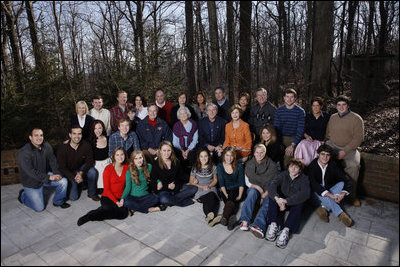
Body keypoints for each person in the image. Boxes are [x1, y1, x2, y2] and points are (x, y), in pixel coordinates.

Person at [17, 128, 70, 211]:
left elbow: (52, 160)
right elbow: (31, 172)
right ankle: (23, 196)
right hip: (32, 182)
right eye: (36, 135)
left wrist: (56, 173)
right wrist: (49, 177)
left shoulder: (46, 146)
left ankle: (58, 201)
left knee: (63, 181)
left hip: (44, 176)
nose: (39, 137)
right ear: (30, 137)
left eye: (41, 135)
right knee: (39, 208)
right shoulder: (24, 152)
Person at [325, 95, 364, 207]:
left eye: (344, 105)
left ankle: (351, 196)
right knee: (322, 161)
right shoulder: (333, 117)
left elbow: (358, 138)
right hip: (333, 146)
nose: (341, 107)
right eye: (338, 105)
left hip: (349, 148)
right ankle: (326, 193)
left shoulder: (356, 118)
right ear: (336, 106)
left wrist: (345, 151)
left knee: (353, 166)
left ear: (348, 106)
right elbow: (328, 134)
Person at [77, 147, 129, 226]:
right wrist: (116, 202)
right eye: (117, 155)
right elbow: (107, 190)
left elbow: (127, 186)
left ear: (125, 155)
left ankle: (100, 210)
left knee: (123, 214)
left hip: (121, 196)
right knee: (109, 209)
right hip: (108, 196)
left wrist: (122, 199)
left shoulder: (127, 168)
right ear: (113, 157)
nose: (120, 157)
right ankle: (90, 216)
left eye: (122, 154)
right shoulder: (108, 169)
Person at [264, 158, 310, 249]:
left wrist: (286, 201)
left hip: (292, 202)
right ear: (288, 167)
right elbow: (272, 185)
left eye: (296, 168)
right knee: (272, 197)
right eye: (291, 167)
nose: (292, 169)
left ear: (300, 170)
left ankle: (286, 231)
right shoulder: (284, 174)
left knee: (300, 203)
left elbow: (305, 193)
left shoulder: (304, 178)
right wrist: (277, 199)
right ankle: (273, 225)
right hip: (281, 200)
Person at [307, 144, 353, 227]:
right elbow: (314, 185)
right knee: (320, 187)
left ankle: (324, 207)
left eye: (328, 155)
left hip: (329, 191)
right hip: (315, 194)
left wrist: (342, 194)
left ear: (330, 156)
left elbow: (346, 180)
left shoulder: (333, 165)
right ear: (318, 155)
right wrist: (331, 195)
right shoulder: (312, 166)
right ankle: (340, 214)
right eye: (323, 154)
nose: (325, 157)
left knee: (342, 183)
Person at [239, 144, 278, 234]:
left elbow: (274, 182)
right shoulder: (249, 164)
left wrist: (266, 193)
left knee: (269, 200)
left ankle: (259, 225)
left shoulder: (272, 165)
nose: (259, 155)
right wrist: (258, 188)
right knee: (252, 193)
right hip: (254, 187)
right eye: (257, 152)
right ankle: (245, 221)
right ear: (254, 153)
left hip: (268, 189)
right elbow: (247, 182)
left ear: (265, 153)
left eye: (262, 152)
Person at [57, 125, 99, 201]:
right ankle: (80, 184)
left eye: (79, 133)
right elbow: (62, 167)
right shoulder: (62, 148)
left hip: (80, 168)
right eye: (74, 133)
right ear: (70, 135)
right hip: (69, 171)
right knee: (73, 198)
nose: (77, 136)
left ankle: (92, 194)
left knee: (93, 172)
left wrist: (81, 173)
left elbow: (90, 161)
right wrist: (74, 177)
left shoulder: (86, 145)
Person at [150, 141, 198, 207]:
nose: (166, 153)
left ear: (171, 151)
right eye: (164, 150)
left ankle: (173, 200)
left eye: (168, 150)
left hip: (176, 188)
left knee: (194, 188)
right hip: (164, 191)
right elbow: (153, 182)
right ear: (160, 151)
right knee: (164, 199)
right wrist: (167, 186)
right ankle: (186, 201)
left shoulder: (176, 161)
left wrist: (191, 178)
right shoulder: (156, 164)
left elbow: (182, 175)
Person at [273, 88, 305, 169]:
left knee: (288, 157)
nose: (289, 99)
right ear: (284, 98)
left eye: (291, 97)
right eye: (287, 96)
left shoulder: (300, 112)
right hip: (281, 137)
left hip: (294, 139)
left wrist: (293, 145)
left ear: (295, 98)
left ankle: (287, 175)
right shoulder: (279, 111)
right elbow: (276, 128)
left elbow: (300, 130)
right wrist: (279, 144)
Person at [189, 149, 222, 227]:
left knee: (212, 196)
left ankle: (209, 217)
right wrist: (201, 186)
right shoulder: (195, 167)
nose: (203, 158)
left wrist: (209, 186)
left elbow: (215, 180)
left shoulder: (213, 166)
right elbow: (191, 182)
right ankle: (212, 216)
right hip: (200, 187)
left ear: (209, 157)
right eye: (201, 156)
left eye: (205, 156)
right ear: (199, 158)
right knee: (209, 199)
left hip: (210, 186)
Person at [294, 97, 331, 166]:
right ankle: (300, 167)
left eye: (317, 106)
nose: (315, 108)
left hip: (320, 141)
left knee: (318, 156)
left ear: (321, 106)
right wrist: (306, 136)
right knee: (301, 145)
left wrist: (325, 140)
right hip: (308, 141)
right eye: (313, 105)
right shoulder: (307, 116)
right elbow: (302, 129)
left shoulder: (327, 117)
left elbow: (329, 130)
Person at [217, 147, 245, 231]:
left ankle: (225, 216)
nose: (229, 158)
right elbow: (221, 183)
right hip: (225, 189)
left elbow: (241, 183)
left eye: (231, 156)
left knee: (231, 197)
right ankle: (231, 218)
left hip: (237, 189)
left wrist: (240, 195)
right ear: (224, 155)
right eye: (227, 155)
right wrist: (225, 194)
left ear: (234, 157)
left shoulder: (239, 166)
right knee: (231, 201)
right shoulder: (220, 166)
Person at [90, 120, 111, 193]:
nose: (97, 131)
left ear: (103, 129)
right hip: (97, 165)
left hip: (108, 163)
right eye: (95, 128)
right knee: (100, 189)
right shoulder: (90, 141)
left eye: (99, 128)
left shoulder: (108, 138)